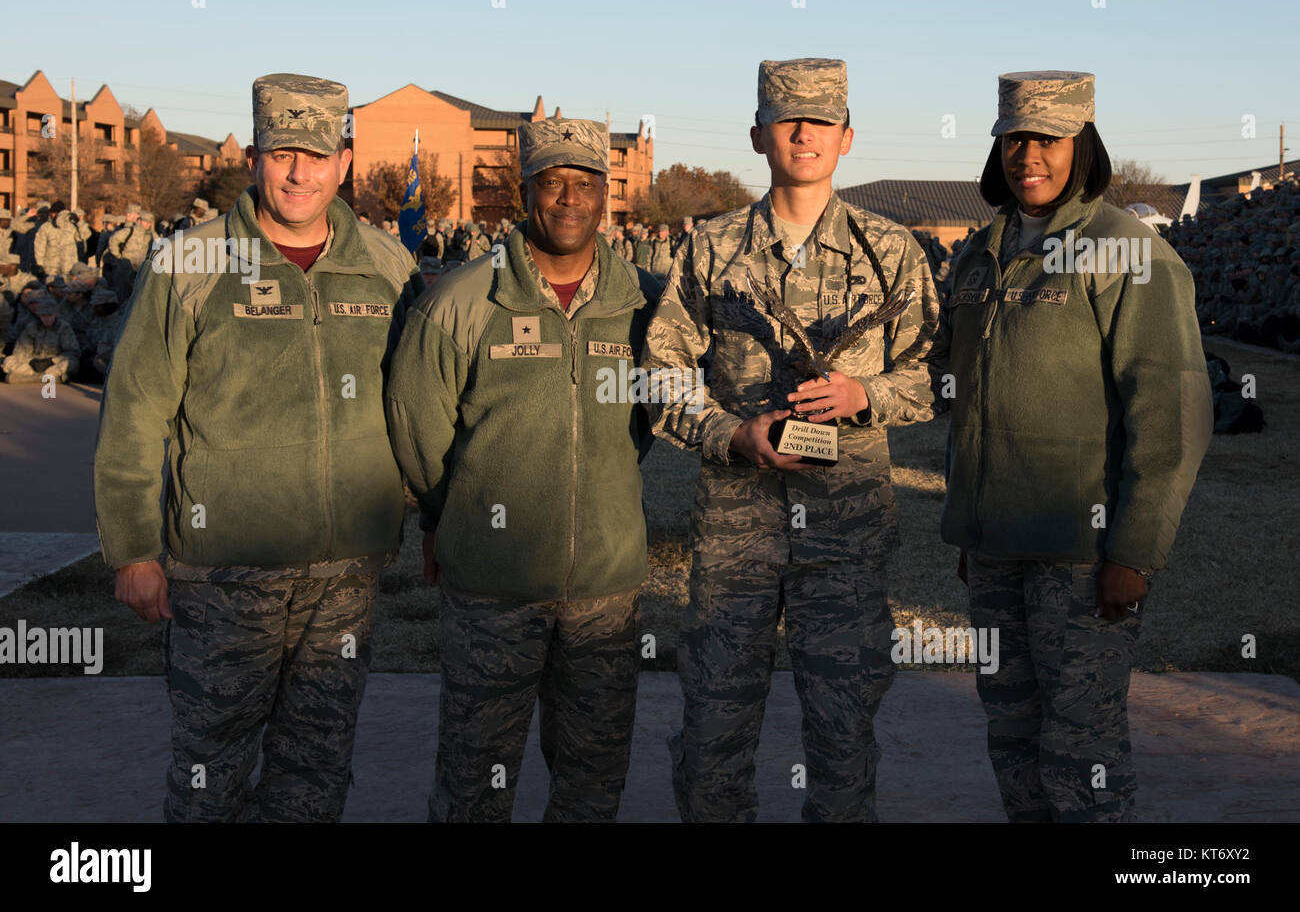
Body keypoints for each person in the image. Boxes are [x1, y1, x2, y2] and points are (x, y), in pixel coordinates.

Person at [94, 72, 417, 823]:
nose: (299, 172)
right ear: (256, 160)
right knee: (212, 767)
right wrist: (133, 550)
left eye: (315, 153)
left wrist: (442, 513)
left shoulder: (386, 265)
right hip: (224, 572)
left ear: (343, 161)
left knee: (317, 764)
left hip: (345, 571)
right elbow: (136, 410)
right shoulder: (191, 264)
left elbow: (419, 405)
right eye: (281, 153)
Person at [641, 58, 939, 822]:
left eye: (819, 121)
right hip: (738, 530)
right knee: (713, 735)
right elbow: (662, 372)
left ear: (846, 138)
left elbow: (933, 378)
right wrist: (732, 434)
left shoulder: (891, 253)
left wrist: (862, 394)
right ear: (757, 135)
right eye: (786, 118)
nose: (803, 133)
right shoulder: (711, 248)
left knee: (843, 744)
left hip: (846, 531)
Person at [932, 70, 1212, 822]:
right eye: (1015, 138)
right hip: (994, 551)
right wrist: (969, 520)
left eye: (1049, 139)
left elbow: (1173, 411)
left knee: (1082, 746)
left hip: (1083, 557)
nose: (1030, 155)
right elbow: (964, 395)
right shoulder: (978, 255)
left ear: (1082, 145)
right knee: (1013, 733)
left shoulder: (1125, 251)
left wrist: (1135, 550)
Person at [386, 116, 662, 822]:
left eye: (586, 182)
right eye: (551, 182)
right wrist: (460, 518)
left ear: (607, 194)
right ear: (525, 192)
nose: (569, 198)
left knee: (593, 782)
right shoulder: (461, 300)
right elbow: (419, 429)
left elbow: (649, 422)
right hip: (492, 592)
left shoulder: (645, 307)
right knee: (476, 783)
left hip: (605, 588)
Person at [2, 296, 78, 383]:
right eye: (43, 316)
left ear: (56, 314)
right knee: (9, 361)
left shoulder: (64, 328)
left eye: (49, 315)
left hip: (53, 363)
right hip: (33, 363)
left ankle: (28, 378)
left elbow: (72, 352)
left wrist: (52, 361)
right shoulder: (31, 327)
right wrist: (31, 361)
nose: (47, 319)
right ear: (39, 315)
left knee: (71, 362)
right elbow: (20, 351)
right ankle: (47, 378)